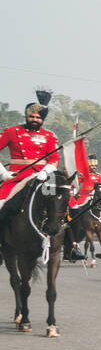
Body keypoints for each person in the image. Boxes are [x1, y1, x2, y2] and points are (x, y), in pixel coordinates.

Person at [0, 90, 59, 248]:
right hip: (17, 176)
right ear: (26, 117)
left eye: (38, 117)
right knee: (0, 203)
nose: (34, 119)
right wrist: (4, 173)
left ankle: (70, 244)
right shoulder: (12, 132)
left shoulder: (49, 136)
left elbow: (54, 159)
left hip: (43, 175)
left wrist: (45, 172)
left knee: (61, 203)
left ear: (42, 119)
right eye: (31, 116)